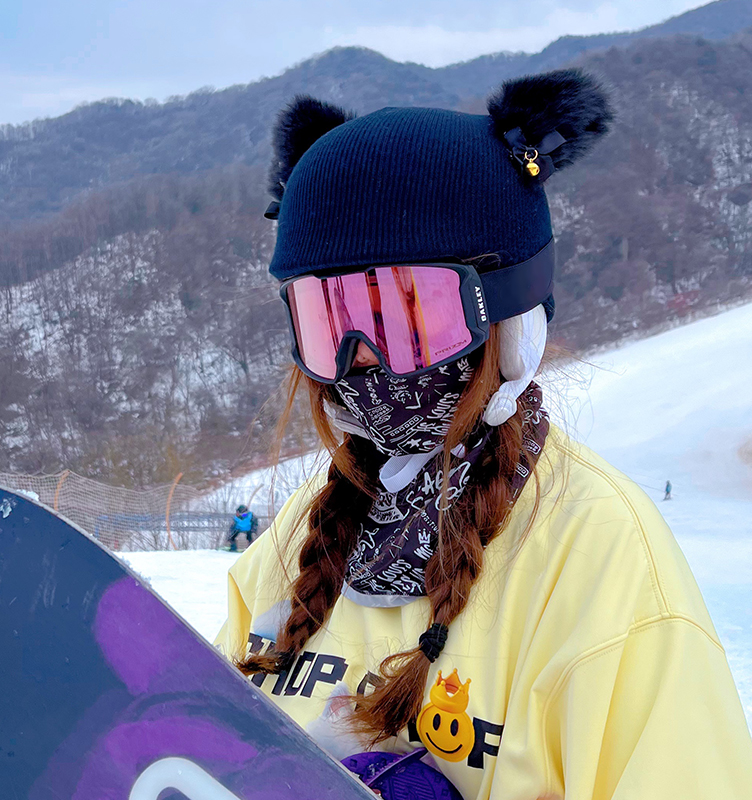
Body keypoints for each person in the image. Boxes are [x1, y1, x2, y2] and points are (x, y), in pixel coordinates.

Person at [216, 70, 752, 799]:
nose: (360, 362)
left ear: (511, 319)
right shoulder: (292, 542)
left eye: (405, 314)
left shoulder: (600, 562)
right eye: (326, 321)